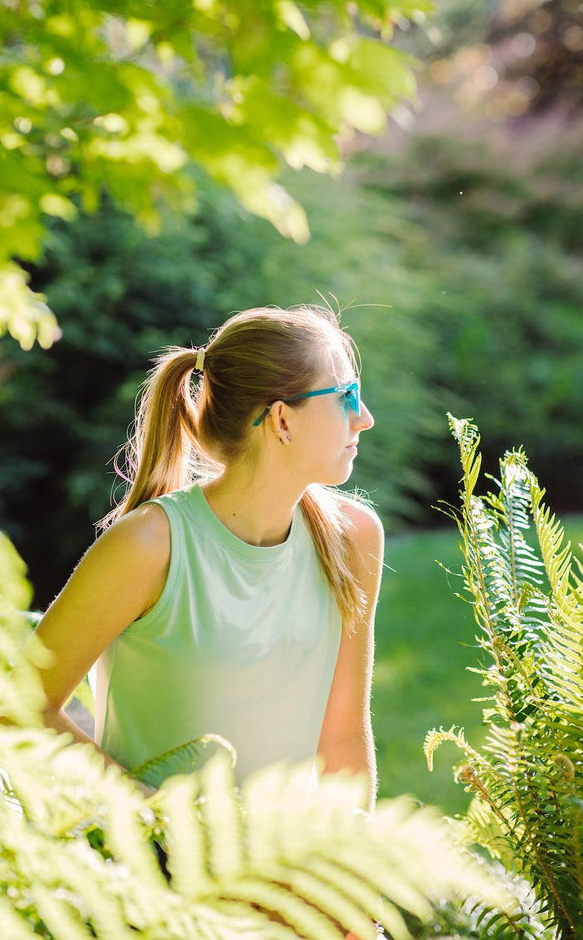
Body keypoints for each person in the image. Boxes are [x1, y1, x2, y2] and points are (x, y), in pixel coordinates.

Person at [34, 304, 384, 805]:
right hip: (150, 873)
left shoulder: (353, 538)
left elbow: (344, 735)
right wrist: (156, 819)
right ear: (282, 419)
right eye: (346, 395)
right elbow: (22, 707)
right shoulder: (148, 546)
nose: (364, 418)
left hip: (288, 877)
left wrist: (343, 868)